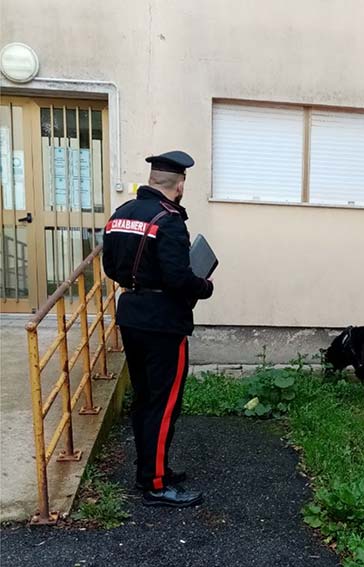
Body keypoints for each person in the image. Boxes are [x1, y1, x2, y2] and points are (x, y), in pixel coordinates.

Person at [102, 150, 214, 507]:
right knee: (164, 404)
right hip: (164, 322)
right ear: (179, 185)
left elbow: (109, 267)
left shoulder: (120, 215)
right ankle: (155, 484)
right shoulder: (168, 221)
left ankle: (152, 470)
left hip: (132, 315)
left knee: (146, 399)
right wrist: (205, 287)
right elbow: (179, 278)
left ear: (152, 180)